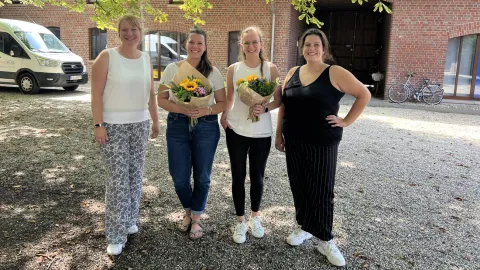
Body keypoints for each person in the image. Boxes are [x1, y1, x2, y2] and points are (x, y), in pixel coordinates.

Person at [275, 28, 371, 267]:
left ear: (324, 49)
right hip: (294, 139)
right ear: (302, 48)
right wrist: (278, 134)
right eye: (308, 44)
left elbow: (364, 94)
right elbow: (284, 106)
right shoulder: (293, 72)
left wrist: (346, 121)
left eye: (316, 44)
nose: (312, 48)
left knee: (321, 189)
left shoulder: (335, 72)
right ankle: (306, 227)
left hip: (322, 141)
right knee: (299, 185)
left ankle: (326, 238)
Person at [91, 15, 159, 256]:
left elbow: (151, 93)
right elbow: (96, 94)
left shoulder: (146, 59)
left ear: (141, 32)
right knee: (118, 181)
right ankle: (115, 234)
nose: (129, 34)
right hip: (113, 127)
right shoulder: (107, 57)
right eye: (124, 30)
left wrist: (155, 120)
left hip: (139, 125)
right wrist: (98, 124)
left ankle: (129, 220)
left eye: (134, 29)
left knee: (134, 175)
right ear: (118, 32)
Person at [157, 27, 226, 240]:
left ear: (205, 47)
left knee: (203, 177)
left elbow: (223, 102)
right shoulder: (171, 69)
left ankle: (195, 217)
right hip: (177, 124)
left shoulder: (213, 72)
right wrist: (182, 108)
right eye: (192, 42)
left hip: (206, 125)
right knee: (179, 176)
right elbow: (161, 99)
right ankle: (187, 208)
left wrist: (206, 109)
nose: (195, 46)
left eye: (200, 43)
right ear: (186, 44)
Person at [220, 26, 282, 244]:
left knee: (257, 176)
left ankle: (255, 217)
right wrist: (224, 116)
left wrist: (264, 108)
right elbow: (229, 98)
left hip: (261, 132)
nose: (251, 46)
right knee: (238, 175)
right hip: (236, 130)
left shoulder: (270, 69)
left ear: (261, 44)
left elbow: (278, 100)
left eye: (255, 42)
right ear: (241, 45)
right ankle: (240, 221)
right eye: (247, 43)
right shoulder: (233, 69)